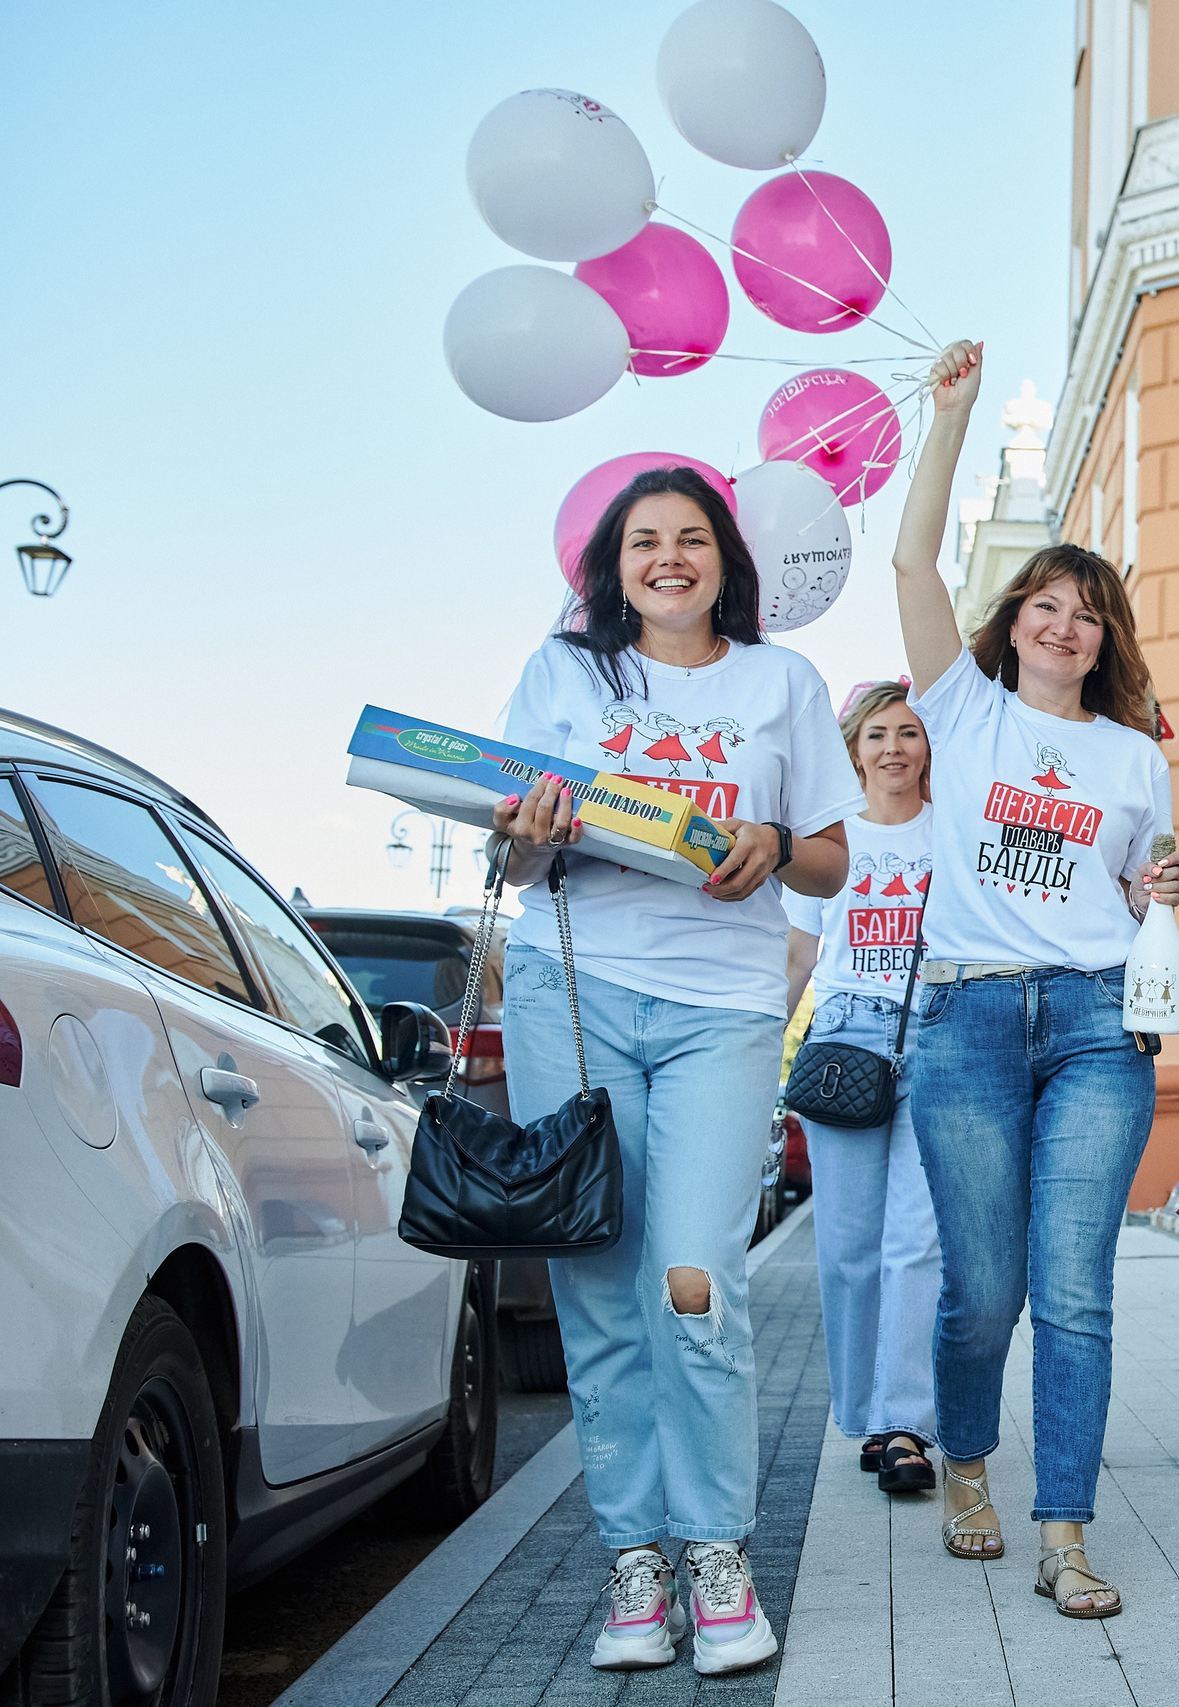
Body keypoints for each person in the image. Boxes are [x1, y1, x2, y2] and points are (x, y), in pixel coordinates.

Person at [494, 465, 860, 1675]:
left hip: (721, 1007)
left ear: (725, 560)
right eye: (643, 540)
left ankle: (718, 1553)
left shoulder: (781, 683)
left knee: (695, 1285)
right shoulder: (565, 674)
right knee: (598, 1287)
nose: (667, 558)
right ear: (613, 564)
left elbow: (829, 863)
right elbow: (510, 863)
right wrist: (526, 833)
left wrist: (772, 842)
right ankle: (634, 1565)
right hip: (574, 997)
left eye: (690, 538)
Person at [889, 339, 1179, 1620]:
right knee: (985, 1291)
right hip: (961, 1014)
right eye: (1043, 606)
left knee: (1073, 1286)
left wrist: (1156, 896)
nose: (1065, 626)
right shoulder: (960, 711)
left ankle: (1065, 1527)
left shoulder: (1132, 758)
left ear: (1104, 636)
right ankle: (967, 1463)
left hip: (1092, 1026)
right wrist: (948, 420)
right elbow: (910, 565)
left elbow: (1143, 889)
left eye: (1087, 611)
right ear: (1014, 622)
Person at [781, 680, 942, 1497]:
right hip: (845, 1038)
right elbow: (795, 959)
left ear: (926, 748)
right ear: (853, 750)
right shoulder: (828, 846)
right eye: (877, 732)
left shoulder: (950, 835)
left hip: (936, 1038)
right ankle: (863, 1409)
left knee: (917, 1238)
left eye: (909, 732)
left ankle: (904, 1422)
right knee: (848, 1247)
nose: (893, 747)